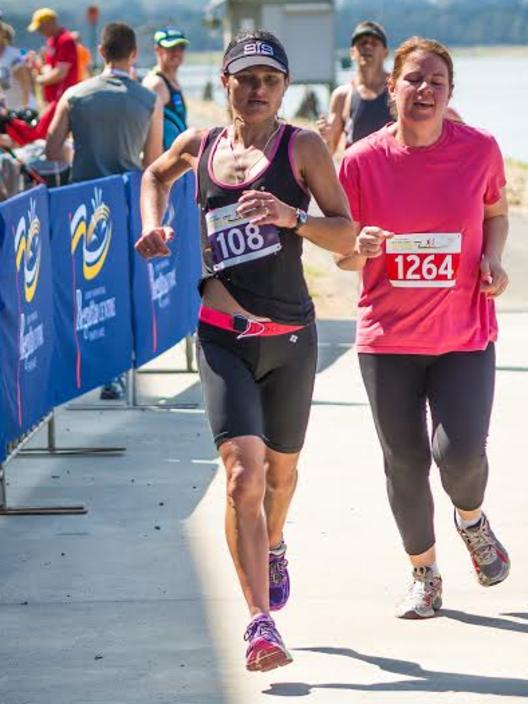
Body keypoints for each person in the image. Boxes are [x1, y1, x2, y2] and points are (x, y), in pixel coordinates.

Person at [136, 30, 356, 671]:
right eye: (245, 78)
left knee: (280, 476)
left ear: (284, 88)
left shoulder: (303, 147)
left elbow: (343, 231)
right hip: (222, 336)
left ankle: (276, 541)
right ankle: (260, 624)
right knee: (242, 477)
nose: (257, 90)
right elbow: (154, 174)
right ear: (226, 83)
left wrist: (293, 220)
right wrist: (154, 222)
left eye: (269, 80)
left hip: (290, 339)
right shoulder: (201, 146)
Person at [337, 36, 510, 619]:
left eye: (436, 81)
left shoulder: (480, 150)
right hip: (387, 341)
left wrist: (493, 258)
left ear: (450, 93)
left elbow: (494, 212)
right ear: (392, 88)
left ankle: (471, 518)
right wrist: (354, 248)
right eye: (413, 79)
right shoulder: (360, 162)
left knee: (459, 455)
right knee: (405, 462)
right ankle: (424, 573)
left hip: (463, 334)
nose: (424, 90)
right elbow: (342, 251)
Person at [46, 21, 163, 399]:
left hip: (80, 207)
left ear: (100, 53)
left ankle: (85, 368)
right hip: (126, 204)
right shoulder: (148, 100)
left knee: (86, 292)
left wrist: (78, 153)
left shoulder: (76, 95)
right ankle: (118, 370)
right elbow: (154, 161)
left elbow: (51, 149)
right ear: (133, 56)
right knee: (121, 289)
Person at [317, 21, 391, 154]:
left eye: (374, 43)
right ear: (352, 52)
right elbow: (330, 150)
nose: (367, 46)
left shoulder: (398, 90)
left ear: (385, 53)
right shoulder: (342, 95)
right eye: (362, 43)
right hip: (357, 172)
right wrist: (326, 138)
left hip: (393, 171)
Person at [142, 27, 189, 151]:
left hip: (177, 159)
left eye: (181, 48)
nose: (177, 53)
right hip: (164, 161)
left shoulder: (172, 81)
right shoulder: (156, 84)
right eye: (171, 48)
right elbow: (143, 129)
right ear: (157, 49)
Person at [27, 8, 78, 106]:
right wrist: (38, 65)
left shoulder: (65, 40)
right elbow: (49, 67)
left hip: (62, 98)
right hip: (52, 98)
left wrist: (38, 80)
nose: (40, 32)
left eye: (41, 28)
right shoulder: (51, 41)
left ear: (50, 23)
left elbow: (61, 73)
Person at [0, 20, 35, 110]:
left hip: (22, 110)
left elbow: (26, 85)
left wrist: (24, 110)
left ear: (2, 34)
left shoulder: (14, 57)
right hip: (8, 110)